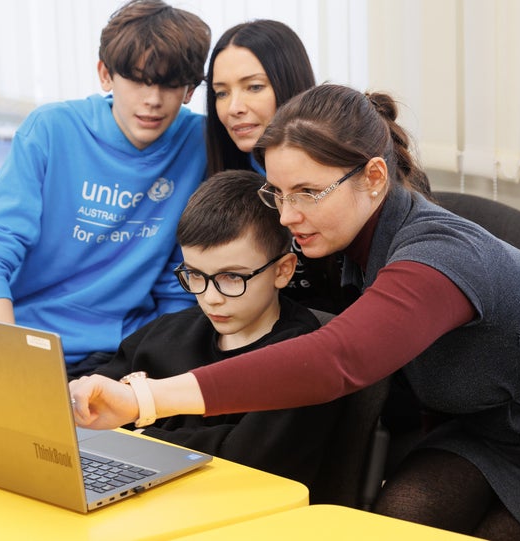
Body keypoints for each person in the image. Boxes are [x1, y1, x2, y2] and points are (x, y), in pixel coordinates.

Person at [70, 84, 520, 540]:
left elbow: (337, 357)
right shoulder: (357, 245)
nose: (287, 215)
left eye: (307, 193)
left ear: (374, 177)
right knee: (400, 516)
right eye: (278, 193)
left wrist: (146, 400)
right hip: (498, 438)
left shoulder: (440, 256)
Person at [0, 0, 211, 375]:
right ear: (106, 74)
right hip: (22, 340)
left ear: (190, 90)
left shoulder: (200, 144)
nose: (153, 100)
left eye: (170, 85)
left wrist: (164, 357)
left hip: (126, 352)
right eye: (138, 80)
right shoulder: (51, 129)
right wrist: (9, 352)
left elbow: (180, 277)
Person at [79, 169, 344, 493]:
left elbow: (248, 460)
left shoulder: (303, 358)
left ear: (282, 271)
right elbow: (95, 404)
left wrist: (138, 435)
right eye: (195, 275)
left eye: (232, 277)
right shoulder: (168, 332)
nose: (210, 297)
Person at [204, 19, 359, 314]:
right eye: (221, 93)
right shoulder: (224, 170)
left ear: (289, 83)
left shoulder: (345, 166)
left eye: (254, 87)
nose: (234, 108)